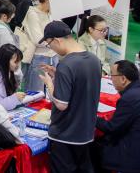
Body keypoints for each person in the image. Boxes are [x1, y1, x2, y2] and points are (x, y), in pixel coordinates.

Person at [37, 20, 102, 173]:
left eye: (49, 44)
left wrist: (49, 84)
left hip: (64, 136)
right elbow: (80, 85)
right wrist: (58, 75)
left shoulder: (66, 64)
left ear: (57, 40)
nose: (51, 48)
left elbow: (61, 104)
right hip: (86, 134)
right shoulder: (94, 60)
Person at [95, 59, 140, 173]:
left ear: (123, 79)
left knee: (98, 146)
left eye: (112, 75)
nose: (111, 79)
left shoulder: (129, 98)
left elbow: (112, 128)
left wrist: (92, 118)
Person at [18, 0, 55, 91]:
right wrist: (56, 42)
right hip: (39, 57)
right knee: (35, 92)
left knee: (52, 91)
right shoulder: (33, 13)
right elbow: (38, 39)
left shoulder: (51, 13)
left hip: (53, 56)